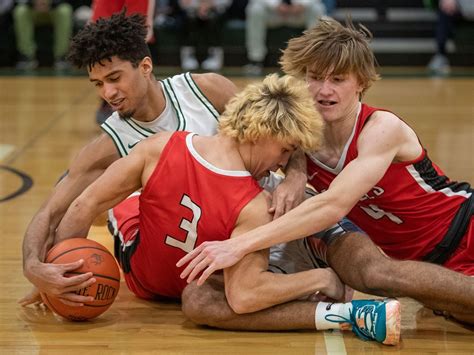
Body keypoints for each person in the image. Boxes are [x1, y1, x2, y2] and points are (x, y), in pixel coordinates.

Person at [55, 75, 401, 345]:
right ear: (263, 132)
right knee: (123, 209)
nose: (282, 163)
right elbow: (247, 296)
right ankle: (333, 287)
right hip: (138, 262)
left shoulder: (160, 147)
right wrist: (322, 277)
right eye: (285, 150)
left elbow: (84, 204)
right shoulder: (254, 206)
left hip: (168, 277)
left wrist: (57, 266)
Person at [178, 18, 474, 324]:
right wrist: (296, 171)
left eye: (338, 79)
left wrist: (239, 244)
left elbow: (332, 205)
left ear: (361, 82)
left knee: (378, 275)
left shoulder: (382, 129)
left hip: (466, 228)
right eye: (315, 77)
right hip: (430, 266)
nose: (324, 90)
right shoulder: (301, 142)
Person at [18, 11, 307, 307]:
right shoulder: (108, 145)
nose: (108, 93)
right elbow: (52, 213)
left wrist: (296, 177)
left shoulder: (206, 90)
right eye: (98, 84)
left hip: (254, 215)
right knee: (71, 188)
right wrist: (37, 267)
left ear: (145, 66)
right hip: (178, 245)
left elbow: (283, 128)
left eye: (114, 78)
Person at [243, 0, 325, 76]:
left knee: (316, 8)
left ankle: (315, 59)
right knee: (255, 9)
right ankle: (255, 61)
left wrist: (302, 4)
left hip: (299, 13)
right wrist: (275, 5)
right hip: (273, 13)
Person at [13, 0, 73, 70]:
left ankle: (61, 56)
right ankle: (27, 56)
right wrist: (33, 2)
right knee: (20, 11)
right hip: (32, 9)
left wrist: (50, 3)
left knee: (65, 11)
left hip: (54, 9)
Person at [178, 0, 232, 71]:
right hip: (193, 10)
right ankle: (189, 55)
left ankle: (214, 55)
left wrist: (209, 5)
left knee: (215, 19)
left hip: (216, 9)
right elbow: (183, 3)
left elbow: (226, 2)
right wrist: (198, 6)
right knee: (189, 19)